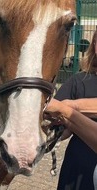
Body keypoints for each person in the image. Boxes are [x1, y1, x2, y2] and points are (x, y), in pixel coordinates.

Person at [45, 30, 97, 190]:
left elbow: (61, 108)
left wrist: (69, 108)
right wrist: (54, 128)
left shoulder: (70, 104)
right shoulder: (79, 81)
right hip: (78, 169)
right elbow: (57, 128)